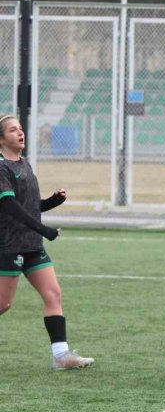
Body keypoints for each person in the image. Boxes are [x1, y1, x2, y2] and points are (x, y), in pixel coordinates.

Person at [0, 114, 93, 370]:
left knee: (53, 295)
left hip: (32, 246)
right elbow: (11, 208)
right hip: (10, 246)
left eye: (20, 128)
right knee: (3, 304)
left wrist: (52, 201)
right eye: (12, 130)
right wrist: (45, 230)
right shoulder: (2, 168)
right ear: (1, 139)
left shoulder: (24, 164)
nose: (20, 133)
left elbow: (30, 206)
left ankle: (61, 357)